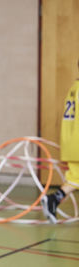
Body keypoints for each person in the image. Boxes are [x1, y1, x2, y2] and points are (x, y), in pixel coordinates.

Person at [41, 60, 79, 224]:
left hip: (71, 142)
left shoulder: (74, 88)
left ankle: (53, 199)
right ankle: (53, 199)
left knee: (75, 178)